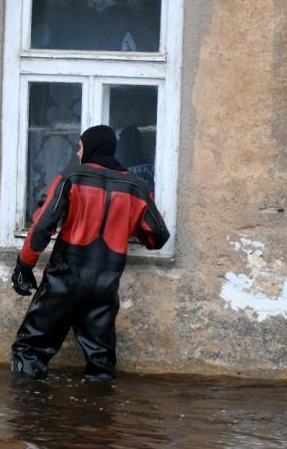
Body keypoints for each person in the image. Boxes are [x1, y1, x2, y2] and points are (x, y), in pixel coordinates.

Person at [10, 125, 169, 380]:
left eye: (80, 147)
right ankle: (98, 415)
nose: (78, 153)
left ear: (90, 148)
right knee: (101, 361)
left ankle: (29, 416)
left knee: (30, 350)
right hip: (105, 283)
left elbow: (42, 226)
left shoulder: (71, 177)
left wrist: (24, 265)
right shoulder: (135, 187)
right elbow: (157, 237)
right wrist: (125, 223)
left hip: (65, 277)